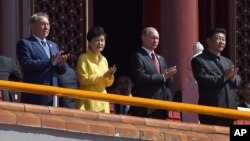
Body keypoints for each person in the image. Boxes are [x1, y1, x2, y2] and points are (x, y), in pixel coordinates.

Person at [191, 27, 241, 126]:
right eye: (218, 38)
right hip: (212, 111)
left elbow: (238, 79)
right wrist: (224, 77)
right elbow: (203, 80)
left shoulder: (227, 61)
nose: (221, 42)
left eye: (223, 39)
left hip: (230, 110)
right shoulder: (199, 60)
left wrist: (233, 78)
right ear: (209, 41)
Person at [16, 12, 69, 106]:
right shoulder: (25, 43)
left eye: (48, 24)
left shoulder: (53, 45)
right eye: (43, 24)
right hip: (36, 95)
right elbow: (26, 64)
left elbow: (62, 70)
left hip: (54, 94)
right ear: (33, 26)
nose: (46, 27)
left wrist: (61, 63)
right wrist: (50, 62)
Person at [130, 27, 177, 119]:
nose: (155, 41)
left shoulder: (161, 58)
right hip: (147, 106)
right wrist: (163, 76)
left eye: (157, 38)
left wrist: (169, 76)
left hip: (162, 106)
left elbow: (167, 83)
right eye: (153, 37)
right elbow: (141, 78)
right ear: (143, 38)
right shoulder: (138, 56)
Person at [76, 26, 116, 113]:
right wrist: (103, 76)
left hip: (102, 100)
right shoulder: (83, 58)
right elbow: (83, 80)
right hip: (89, 101)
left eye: (102, 40)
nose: (100, 43)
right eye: (97, 40)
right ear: (90, 42)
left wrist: (109, 76)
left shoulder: (104, 59)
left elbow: (107, 84)